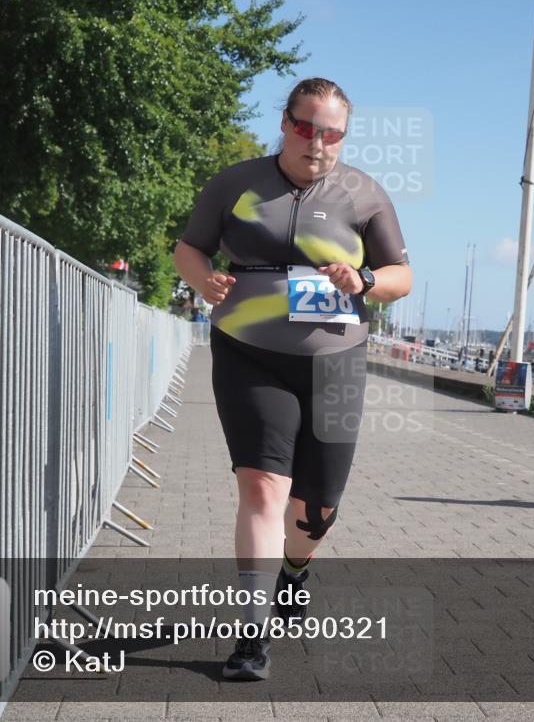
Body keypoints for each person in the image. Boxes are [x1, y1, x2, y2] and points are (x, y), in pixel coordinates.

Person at [174, 78, 412, 680]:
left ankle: (295, 570)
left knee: (316, 512)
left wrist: (364, 282)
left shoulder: (364, 193)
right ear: (285, 122)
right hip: (249, 351)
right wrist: (202, 280)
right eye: (307, 127)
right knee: (261, 489)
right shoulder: (236, 183)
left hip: (336, 360)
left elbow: (401, 276)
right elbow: (189, 249)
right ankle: (251, 638)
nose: (318, 142)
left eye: (332, 133)